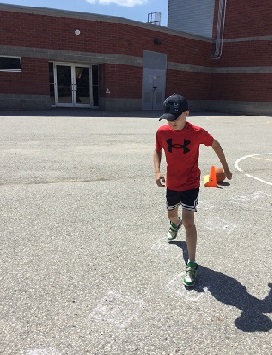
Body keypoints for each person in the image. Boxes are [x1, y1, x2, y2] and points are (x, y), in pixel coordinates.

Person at [153, 94, 232, 287]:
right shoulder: (162, 132)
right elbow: (157, 150)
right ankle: (174, 224)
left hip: (190, 184)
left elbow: (216, 145)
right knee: (172, 215)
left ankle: (192, 263)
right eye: (168, 118)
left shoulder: (197, 132)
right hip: (172, 183)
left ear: (186, 113)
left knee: (189, 222)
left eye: (175, 118)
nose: (171, 122)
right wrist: (157, 171)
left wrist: (226, 167)